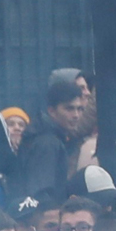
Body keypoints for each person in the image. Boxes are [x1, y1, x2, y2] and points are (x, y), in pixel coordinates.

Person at [14, 79, 85, 209]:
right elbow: (41, 192)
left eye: (80, 109)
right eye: (69, 108)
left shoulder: (50, 137)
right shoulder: (47, 143)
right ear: (52, 111)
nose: (76, 115)